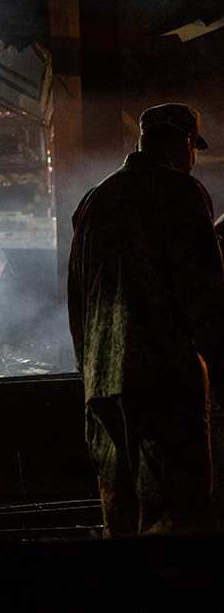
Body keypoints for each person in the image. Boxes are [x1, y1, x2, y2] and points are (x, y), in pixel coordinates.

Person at [68, 103, 224, 537]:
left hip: (102, 390)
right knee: (177, 520)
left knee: (121, 519)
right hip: (164, 385)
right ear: (183, 143)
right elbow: (205, 298)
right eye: (194, 147)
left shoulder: (93, 201)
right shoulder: (181, 194)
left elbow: (77, 298)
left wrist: (90, 371)